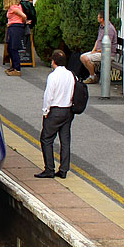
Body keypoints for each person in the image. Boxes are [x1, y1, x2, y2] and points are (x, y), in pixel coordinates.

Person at [37, 49, 75, 178]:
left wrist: (45, 111)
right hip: (68, 110)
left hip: (55, 111)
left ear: (53, 62)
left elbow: (49, 95)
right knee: (65, 141)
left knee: (46, 139)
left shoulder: (53, 76)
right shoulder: (70, 74)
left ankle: (49, 169)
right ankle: (64, 170)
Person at [79, 11, 116, 84]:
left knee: (86, 58)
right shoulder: (102, 27)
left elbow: (108, 46)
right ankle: (93, 75)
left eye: (98, 17)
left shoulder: (109, 29)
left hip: (107, 54)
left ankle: (92, 77)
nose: (97, 18)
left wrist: (96, 52)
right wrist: (93, 50)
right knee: (82, 57)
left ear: (102, 19)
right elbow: (98, 40)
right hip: (98, 51)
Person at [2, 0, 28, 75]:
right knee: (10, 48)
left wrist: (24, 21)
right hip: (12, 27)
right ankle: (13, 67)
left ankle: (17, 69)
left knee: (14, 48)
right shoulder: (14, 7)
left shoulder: (14, 7)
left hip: (16, 28)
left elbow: (23, 15)